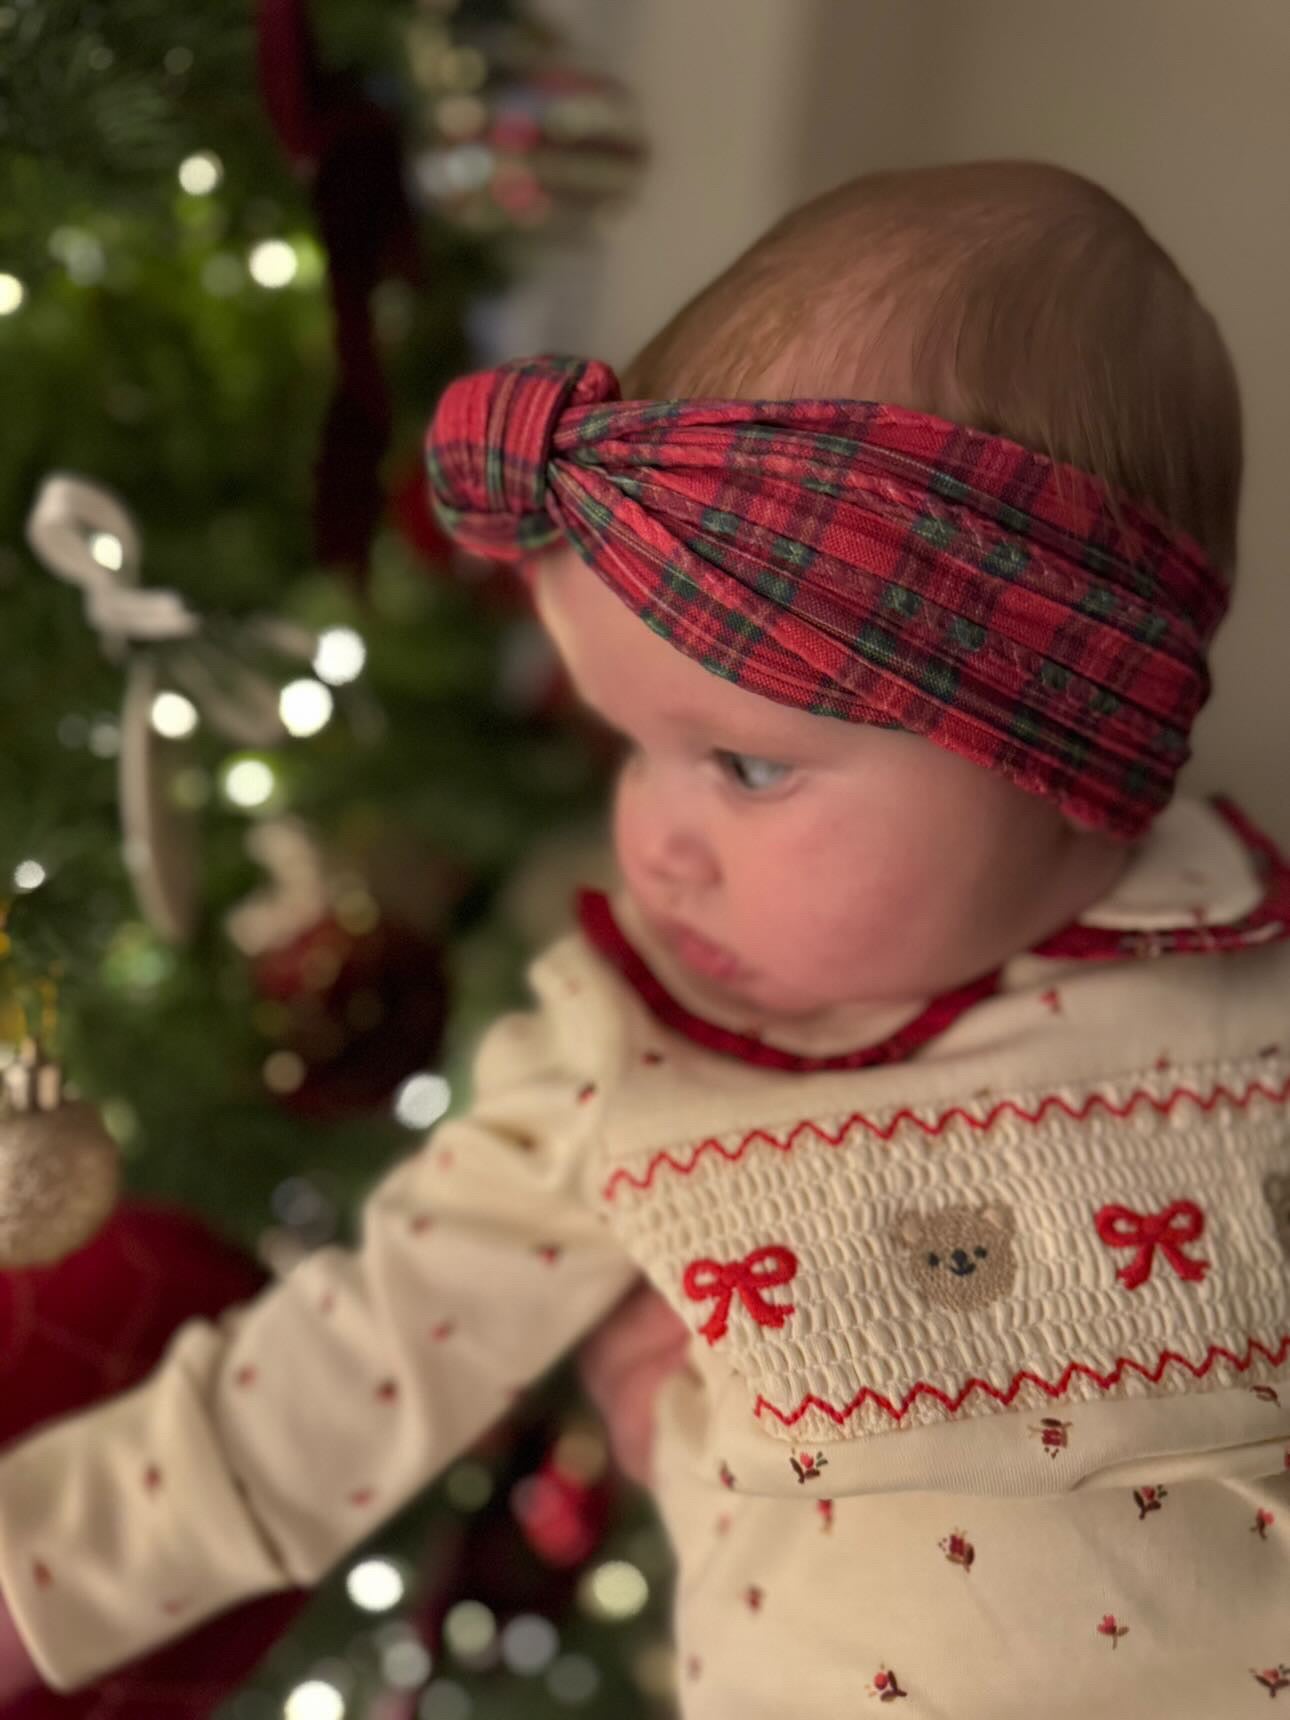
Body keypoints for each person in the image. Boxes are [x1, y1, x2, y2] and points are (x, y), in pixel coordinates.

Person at [2, 158, 1288, 1719]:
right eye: (634, 748)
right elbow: (346, 1367)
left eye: (743, 765)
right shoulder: (630, 1054)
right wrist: (34, 1571)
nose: (651, 838)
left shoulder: (1247, 981)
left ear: (1059, 736)